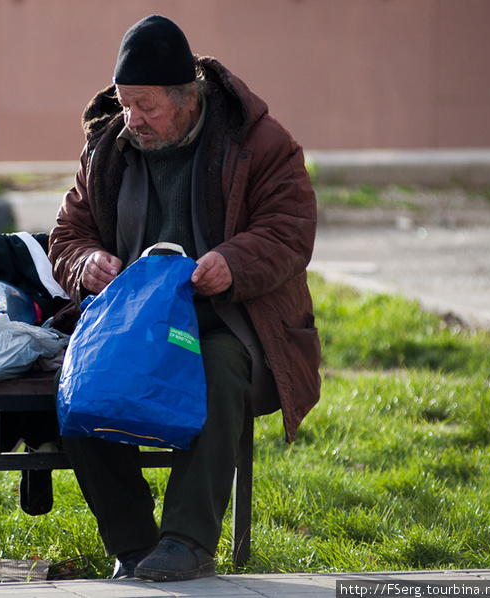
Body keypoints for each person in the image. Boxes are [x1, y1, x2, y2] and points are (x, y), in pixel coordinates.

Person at [48, 15, 322, 581]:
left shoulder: (260, 143)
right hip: (136, 324)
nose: (133, 120)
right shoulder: (109, 148)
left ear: (188, 96)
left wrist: (233, 263)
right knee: (81, 382)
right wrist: (85, 262)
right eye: (126, 104)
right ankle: (134, 543)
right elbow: (68, 233)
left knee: (219, 371)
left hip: (233, 319)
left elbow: (290, 230)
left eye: (146, 106)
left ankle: (187, 541)